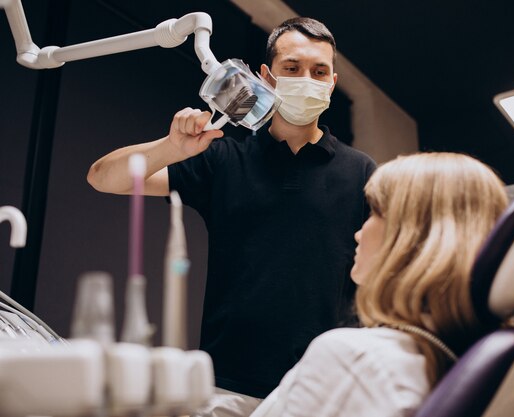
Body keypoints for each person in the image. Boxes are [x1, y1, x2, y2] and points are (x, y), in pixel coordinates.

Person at [87, 17, 376, 417]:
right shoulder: (224, 159)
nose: (306, 79)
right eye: (292, 68)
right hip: (225, 386)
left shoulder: (362, 173)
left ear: (331, 81)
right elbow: (104, 177)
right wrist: (171, 147)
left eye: (319, 71)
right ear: (266, 76)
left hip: (320, 391)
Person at [249, 152, 509, 417]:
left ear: (414, 235)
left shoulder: (356, 359)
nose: (358, 233)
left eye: (374, 211)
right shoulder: (464, 367)